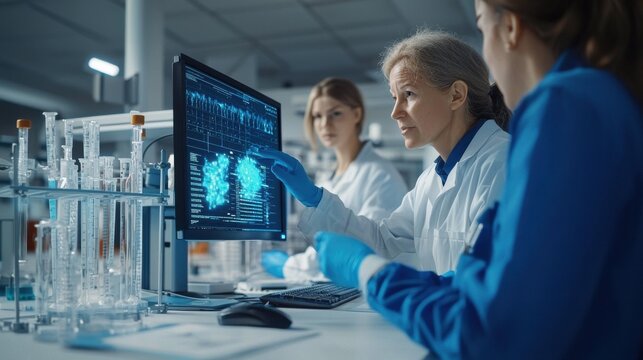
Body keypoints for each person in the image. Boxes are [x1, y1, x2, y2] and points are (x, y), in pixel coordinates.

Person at [314, 0, 643, 358]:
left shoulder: (565, 106)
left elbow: (495, 330)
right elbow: (499, 283)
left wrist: (369, 272)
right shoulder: (600, 98)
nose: (396, 112)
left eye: (483, 27)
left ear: (511, 28)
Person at [253, 31, 512, 275]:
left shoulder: (502, 163)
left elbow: (485, 279)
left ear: (456, 95)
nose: (395, 112)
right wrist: (314, 199)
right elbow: (382, 241)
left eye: (408, 94)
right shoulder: (431, 180)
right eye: (394, 97)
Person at [261, 77, 408, 281]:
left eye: (335, 114)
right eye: (317, 116)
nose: (324, 124)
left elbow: (371, 247)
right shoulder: (329, 176)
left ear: (356, 114)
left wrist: (289, 266)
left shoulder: (379, 175)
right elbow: (326, 242)